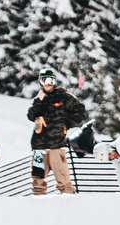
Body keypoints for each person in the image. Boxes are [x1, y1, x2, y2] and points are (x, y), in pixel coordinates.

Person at [27, 68, 86, 196]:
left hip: (56, 145)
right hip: (39, 147)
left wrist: (67, 124)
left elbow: (81, 111)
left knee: (63, 180)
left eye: (50, 81)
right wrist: (38, 100)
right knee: (37, 182)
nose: (47, 84)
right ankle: (37, 207)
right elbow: (30, 115)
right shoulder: (40, 99)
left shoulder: (63, 97)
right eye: (44, 81)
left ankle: (70, 204)